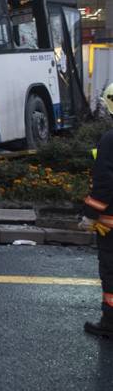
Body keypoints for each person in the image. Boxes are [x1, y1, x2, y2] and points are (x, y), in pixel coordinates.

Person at [82, 82, 113, 338]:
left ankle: (110, 322)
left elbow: (104, 184)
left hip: (110, 224)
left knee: (111, 272)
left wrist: (90, 214)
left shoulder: (110, 140)